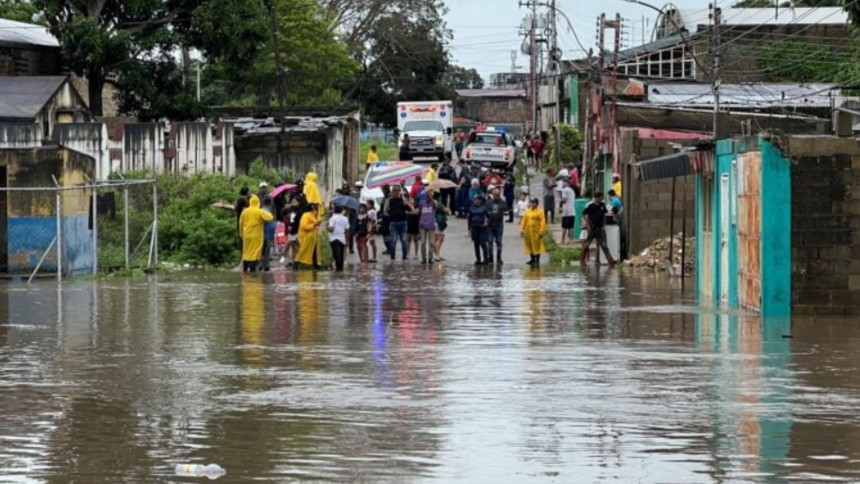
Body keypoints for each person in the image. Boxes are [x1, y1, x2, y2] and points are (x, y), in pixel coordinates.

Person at [239, 195, 274, 272]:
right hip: (256, 236)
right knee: (255, 253)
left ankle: (245, 270)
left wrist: (241, 234)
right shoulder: (259, 212)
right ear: (258, 202)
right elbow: (270, 217)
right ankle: (252, 271)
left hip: (246, 236)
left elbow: (240, 223)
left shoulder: (244, 211)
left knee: (246, 253)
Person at [580, 192, 616, 267]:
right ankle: (582, 261)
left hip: (600, 229)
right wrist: (588, 226)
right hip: (592, 229)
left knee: (604, 246)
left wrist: (603, 225)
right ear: (597, 197)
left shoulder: (602, 205)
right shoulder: (590, 205)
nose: (602, 199)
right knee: (586, 245)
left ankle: (611, 261)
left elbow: (604, 215)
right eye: (601, 197)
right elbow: (585, 215)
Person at [295, 204, 323, 270]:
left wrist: (317, 221)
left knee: (314, 252)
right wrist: (314, 224)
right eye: (315, 209)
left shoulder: (314, 216)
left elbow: (318, 221)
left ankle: (316, 266)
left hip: (313, 238)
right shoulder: (306, 215)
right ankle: (296, 265)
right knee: (302, 251)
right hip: (306, 238)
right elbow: (304, 227)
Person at [384, 185, 408, 260]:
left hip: (403, 222)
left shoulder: (402, 199)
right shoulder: (389, 200)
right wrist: (391, 216)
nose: (396, 192)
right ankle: (393, 258)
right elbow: (385, 211)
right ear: (392, 191)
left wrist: (406, 204)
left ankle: (404, 257)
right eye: (394, 190)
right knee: (393, 241)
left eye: (398, 190)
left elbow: (407, 209)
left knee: (404, 240)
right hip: (393, 222)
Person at [520, 197, 546, 267]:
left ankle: (537, 260)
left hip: (536, 232)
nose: (532, 204)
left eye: (533, 203)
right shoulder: (527, 211)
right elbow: (523, 221)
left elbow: (543, 222)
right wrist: (522, 230)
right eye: (531, 202)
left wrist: (541, 232)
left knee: (537, 246)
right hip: (528, 232)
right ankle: (532, 259)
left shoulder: (540, 211)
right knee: (529, 245)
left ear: (537, 204)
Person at [486, 187, 507, 265]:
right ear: (493, 195)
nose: (496, 196)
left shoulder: (502, 202)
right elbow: (485, 211)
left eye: (497, 195)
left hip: (499, 225)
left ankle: (499, 258)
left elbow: (507, 210)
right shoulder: (488, 202)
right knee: (490, 242)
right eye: (495, 195)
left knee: (499, 242)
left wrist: (505, 213)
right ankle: (490, 258)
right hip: (490, 225)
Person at [468, 193, 490, 265]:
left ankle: (485, 258)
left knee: (483, 243)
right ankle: (478, 259)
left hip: (482, 227)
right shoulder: (471, 208)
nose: (475, 201)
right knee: (476, 244)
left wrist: (487, 223)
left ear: (479, 200)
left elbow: (489, 216)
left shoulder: (484, 208)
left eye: (476, 199)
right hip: (474, 227)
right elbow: (469, 219)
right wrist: (469, 229)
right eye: (474, 199)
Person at [328, 205, 350, 271]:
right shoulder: (345, 218)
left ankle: (338, 268)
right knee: (341, 254)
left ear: (334, 210)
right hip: (342, 238)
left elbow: (331, 229)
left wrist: (326, 227)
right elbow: (347, 229)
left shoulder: (333, 218)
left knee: (336, 254)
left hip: (334, 238)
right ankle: (341, 268)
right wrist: (347, 239)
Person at [418, 192, 437, 264]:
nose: (428, 197)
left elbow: (435, 205)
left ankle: (430, 258)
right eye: (427, 196)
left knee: (432, 243)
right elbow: (419, 212)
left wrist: (431, 197)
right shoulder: (422, 203)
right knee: (423, 242)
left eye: (429, 196)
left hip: (431, 225)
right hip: (422, 225)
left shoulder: (433, 203)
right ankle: (423, 258)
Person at [260, 197, 277, 271]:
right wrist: (272, 237)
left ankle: (260, 265)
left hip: (259, 234)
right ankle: (265, 265)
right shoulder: (268, 213)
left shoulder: (260, 210)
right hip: (266, 234)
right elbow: (272, 226)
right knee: (266, 251)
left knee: (260, 251)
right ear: (270, 204)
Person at [559, 179, 577, 245]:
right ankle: (571, 240)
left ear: (566, 183)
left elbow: (564, 200)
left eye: (563, 183)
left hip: (566, 212)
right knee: (570, 227)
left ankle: (562, 241)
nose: (562, 184)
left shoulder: (564, 190)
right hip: (572, 211)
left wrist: (560, 202)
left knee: (564, 227)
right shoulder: (572, 190)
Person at [434, 192, 449, 262]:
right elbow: (447, 211)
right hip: (440, 222)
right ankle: (436, 255)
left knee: (440, 239)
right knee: (439, 239)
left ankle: (437, 254)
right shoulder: (439, 204)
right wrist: (448, 203)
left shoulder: (436, 203)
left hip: (437, 221)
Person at [235, 186, 250, 254]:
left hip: (239, 221)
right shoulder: (243, 200)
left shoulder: (238, 199)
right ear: (246, 192)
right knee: (244, 242)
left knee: (242, 241)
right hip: (244, 223)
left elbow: (236, 209)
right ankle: (244, 259)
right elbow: (245, 211)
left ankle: (243, 258)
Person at [405, 193, 421, 259]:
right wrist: (410, 212)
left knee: (415, 239)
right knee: (408, 239)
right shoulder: (406, 206)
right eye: (409, 199)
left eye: (412, 199)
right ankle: (407, 253)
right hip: (409, 223)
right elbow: (405, 212)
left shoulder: (417, 205)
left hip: (415, 223)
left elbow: (416, 213)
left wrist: (411, 206)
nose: (410, 200)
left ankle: (416, 254)